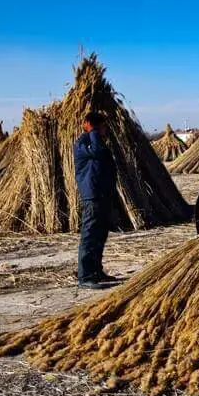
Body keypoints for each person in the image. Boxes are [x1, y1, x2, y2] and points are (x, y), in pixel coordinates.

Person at [74, 111, 120, 289]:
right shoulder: (82, 143)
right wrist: (92, 130)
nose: (103, 130)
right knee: (89, 236)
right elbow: (98, 152)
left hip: (103, 196)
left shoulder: (97, 143)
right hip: (91, 196)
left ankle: (96, 271)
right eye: (101, 126)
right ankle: (85, 276)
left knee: (100, 235)